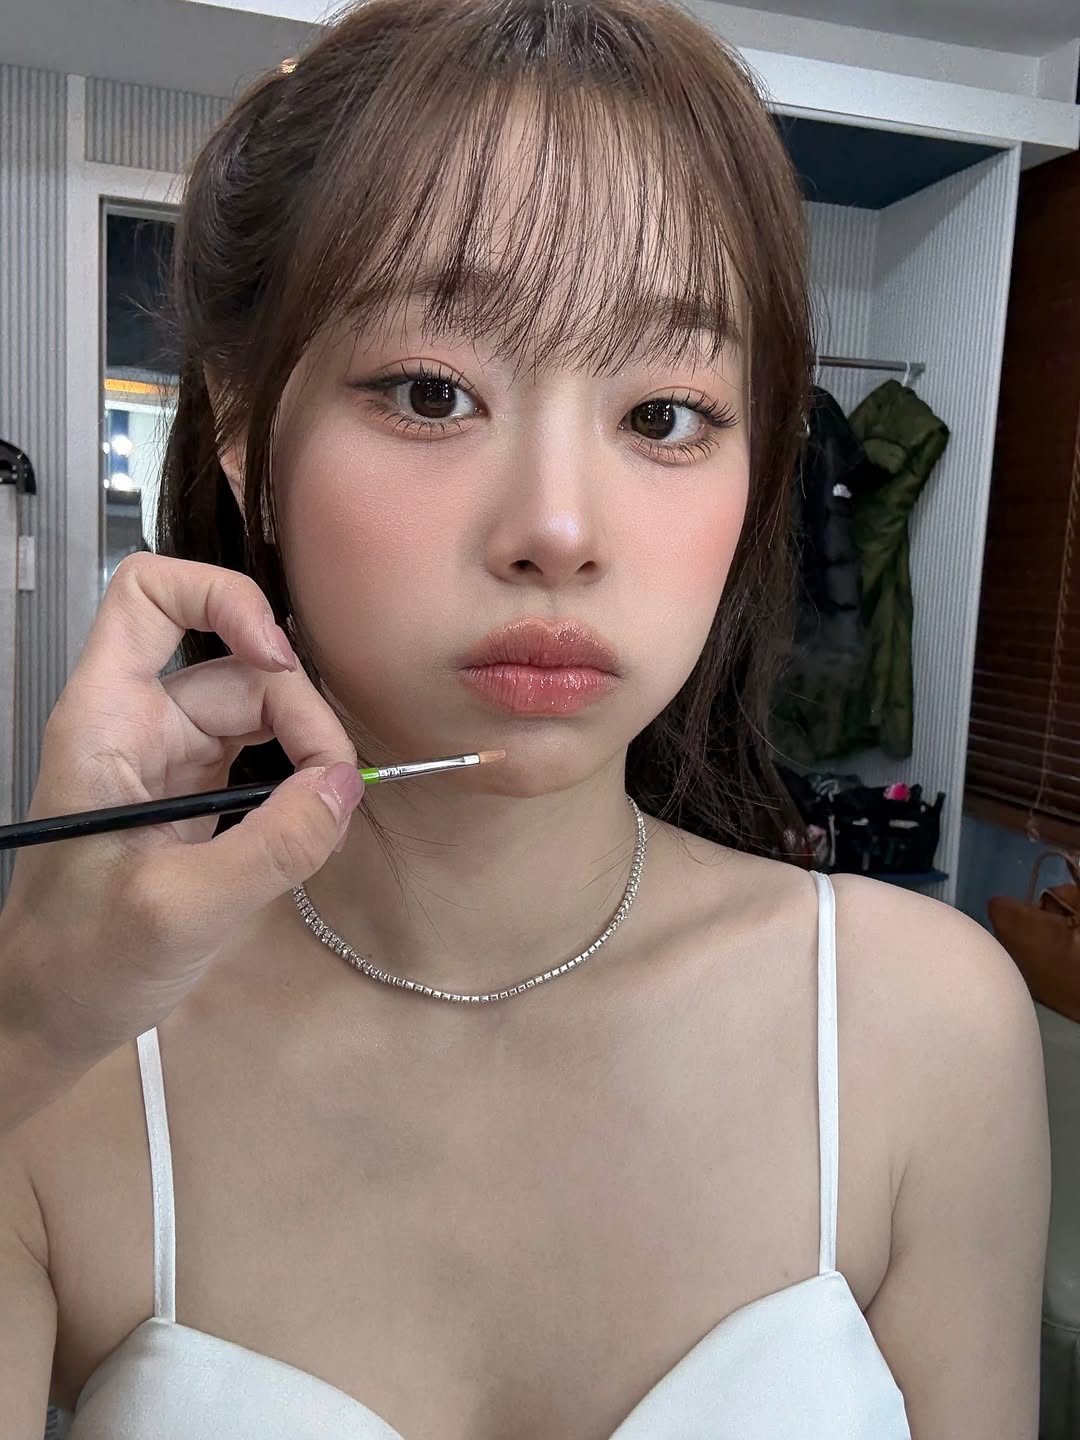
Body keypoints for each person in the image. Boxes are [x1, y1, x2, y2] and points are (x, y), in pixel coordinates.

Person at [0, 0, 1050, 1435]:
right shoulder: (65, 1054)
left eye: (665, 415)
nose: (559, 529)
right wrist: (22, 1032)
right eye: (433, 391)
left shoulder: (927, 1026)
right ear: (245, 438)